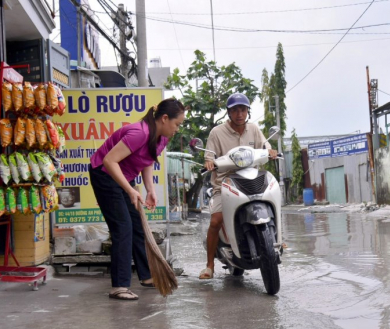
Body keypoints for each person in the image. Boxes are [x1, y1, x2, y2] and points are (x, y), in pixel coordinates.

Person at [89, 98, 185, 300]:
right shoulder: (139, 133)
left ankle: (147, 275)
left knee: (137, 225)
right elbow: (109, 161)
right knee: (122, 227)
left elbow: (147, 160)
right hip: (104, 174)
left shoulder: (162, 137)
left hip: (123, 176)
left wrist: (150, 189)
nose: (177, 129)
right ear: (164, 118)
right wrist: (131, 190)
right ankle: (119, 286)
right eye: (177, 124)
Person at [199, 93, 278, 279]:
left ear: (248, 112)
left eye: (242, 109)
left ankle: (277, 242)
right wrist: (209, 163)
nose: (239, 114)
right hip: (225, 183)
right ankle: (209, 265)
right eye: (235, 110)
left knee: (272, 202)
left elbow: (265, 147)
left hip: (252, 179)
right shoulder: (216, 133)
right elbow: (209, 157)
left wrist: (271, 151)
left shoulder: (254, 129)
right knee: (216, 220)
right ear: (228, 112)